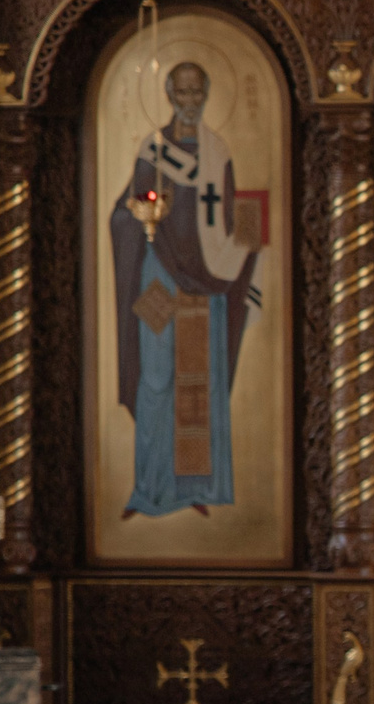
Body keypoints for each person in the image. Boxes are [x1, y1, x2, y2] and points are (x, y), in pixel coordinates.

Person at [109, 61, 262, 519]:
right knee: (156, 379)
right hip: (157, 280)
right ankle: (150, 488)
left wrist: (253, 251)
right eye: (183, 92)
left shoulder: (218, 151)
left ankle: (196, 485)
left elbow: (238, 217)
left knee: (197, 383)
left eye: (198, 93)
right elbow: (121, 214)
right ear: (170, 95)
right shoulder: (153, 151)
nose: (190, 101)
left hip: (206, 285)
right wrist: (140, 216)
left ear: (207, 95)